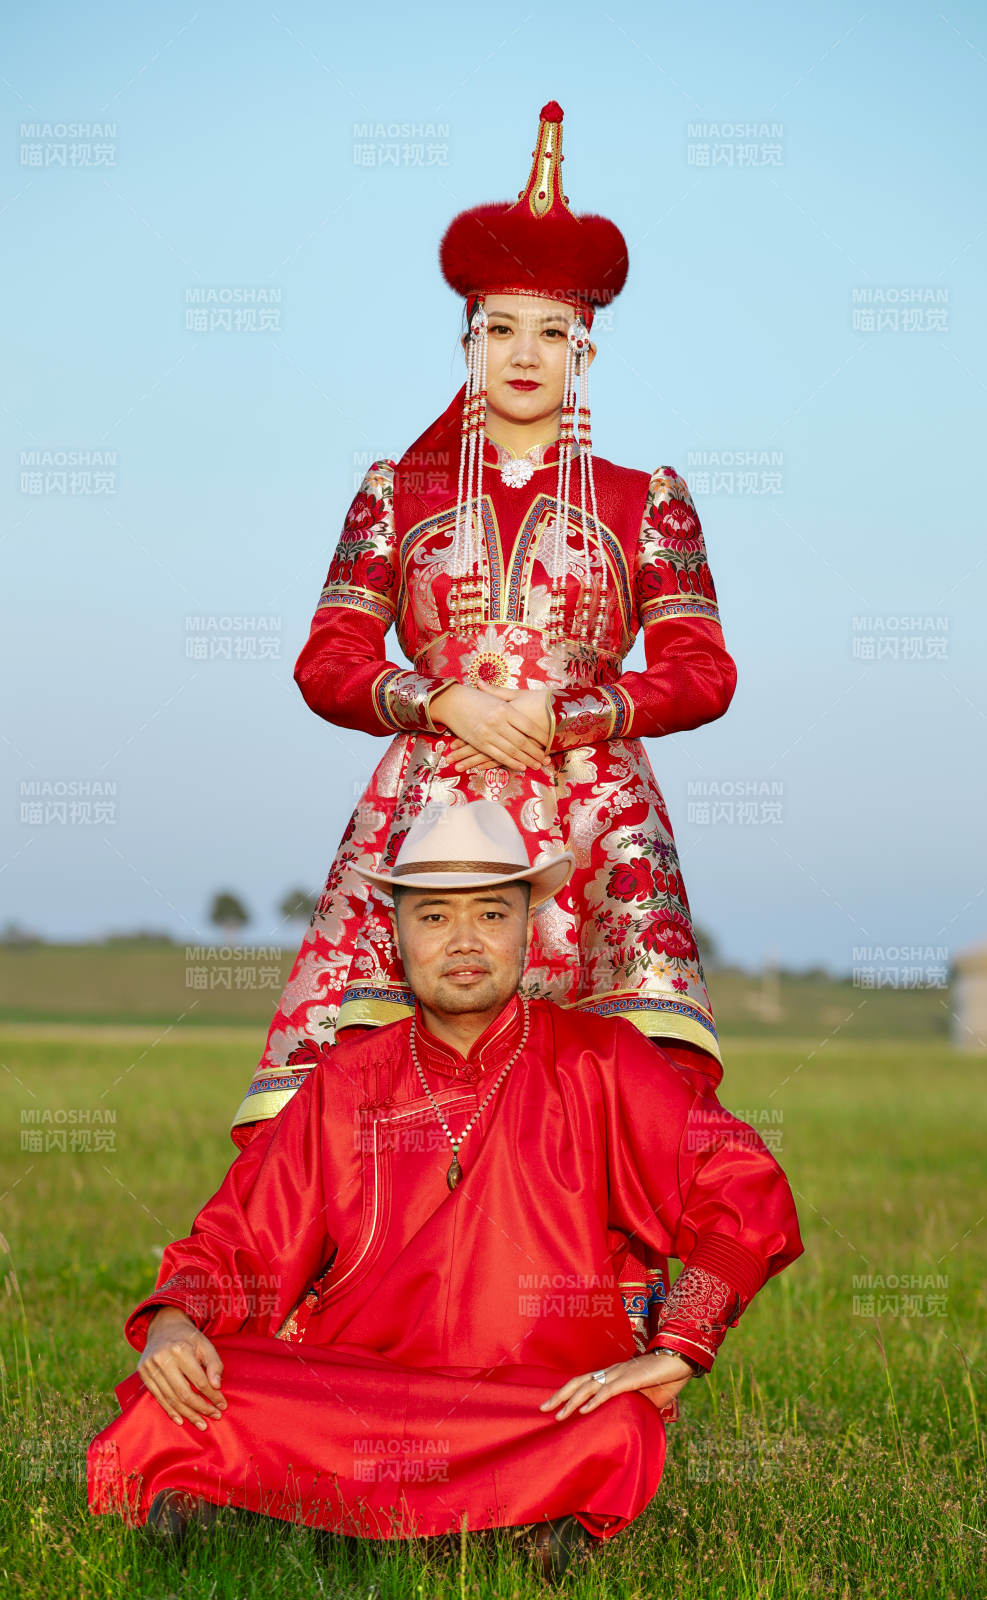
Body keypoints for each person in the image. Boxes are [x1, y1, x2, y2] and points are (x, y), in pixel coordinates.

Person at [231, 99, 739, 1363]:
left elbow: (701, 667)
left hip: (591, 823)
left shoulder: (644, 501)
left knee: (595, 1098)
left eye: (550, 333)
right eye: (497, 329)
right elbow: (328, 659)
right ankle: (335, 1352)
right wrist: (439, 697)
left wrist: (575, 713)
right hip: (427, 812)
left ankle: (586, 1359)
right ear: (463, 343)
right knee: (364, 1084)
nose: (522, 353)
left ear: (585, 352)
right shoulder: (391, 495)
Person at [88, 802, 802, 1579]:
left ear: (527, 928)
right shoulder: (344, 1082)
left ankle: (295, 1509)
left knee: (618, 1424)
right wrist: (175, 1317)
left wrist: (678, 1348)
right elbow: (245, 1240)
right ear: (397, 936)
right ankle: (502, 1521)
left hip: (533, 1404)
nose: (464, 941)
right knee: (177, 1394)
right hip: (359, 1399)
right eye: (434, 916)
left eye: (491, 912)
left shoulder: (605, 1061)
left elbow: (741, 1184)